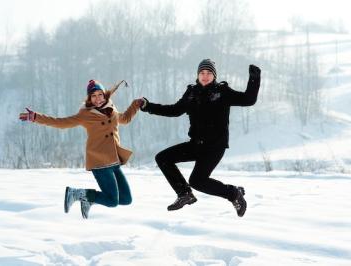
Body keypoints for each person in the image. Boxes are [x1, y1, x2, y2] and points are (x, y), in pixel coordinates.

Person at [140, 59, 261, 217]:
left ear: (214, 75)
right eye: (202, 73)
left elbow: (248, 100)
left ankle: (234, 194)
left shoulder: (222, 92)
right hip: (195, 145)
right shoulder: (191, 93)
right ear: (197, 75)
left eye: (209, 73)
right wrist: (148, 106)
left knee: (198, 181)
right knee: (163, 158)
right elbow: (174, 110)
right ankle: (184, 194)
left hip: (214, 147)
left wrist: (254, 78)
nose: (205, 76)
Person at [19, 80, 143, 219]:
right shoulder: (86, 114)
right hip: (99, 162)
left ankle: (88, 199)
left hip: (114, 160)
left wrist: (135, 105)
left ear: (104, 95)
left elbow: (124, 119)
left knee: (126, 199)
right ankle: (76, 193)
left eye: (100, 94)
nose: (97, 99)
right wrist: (36, 117)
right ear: (89, 98)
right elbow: (61, 123)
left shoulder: (111, 109)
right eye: (93, 96)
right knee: (112, 201)